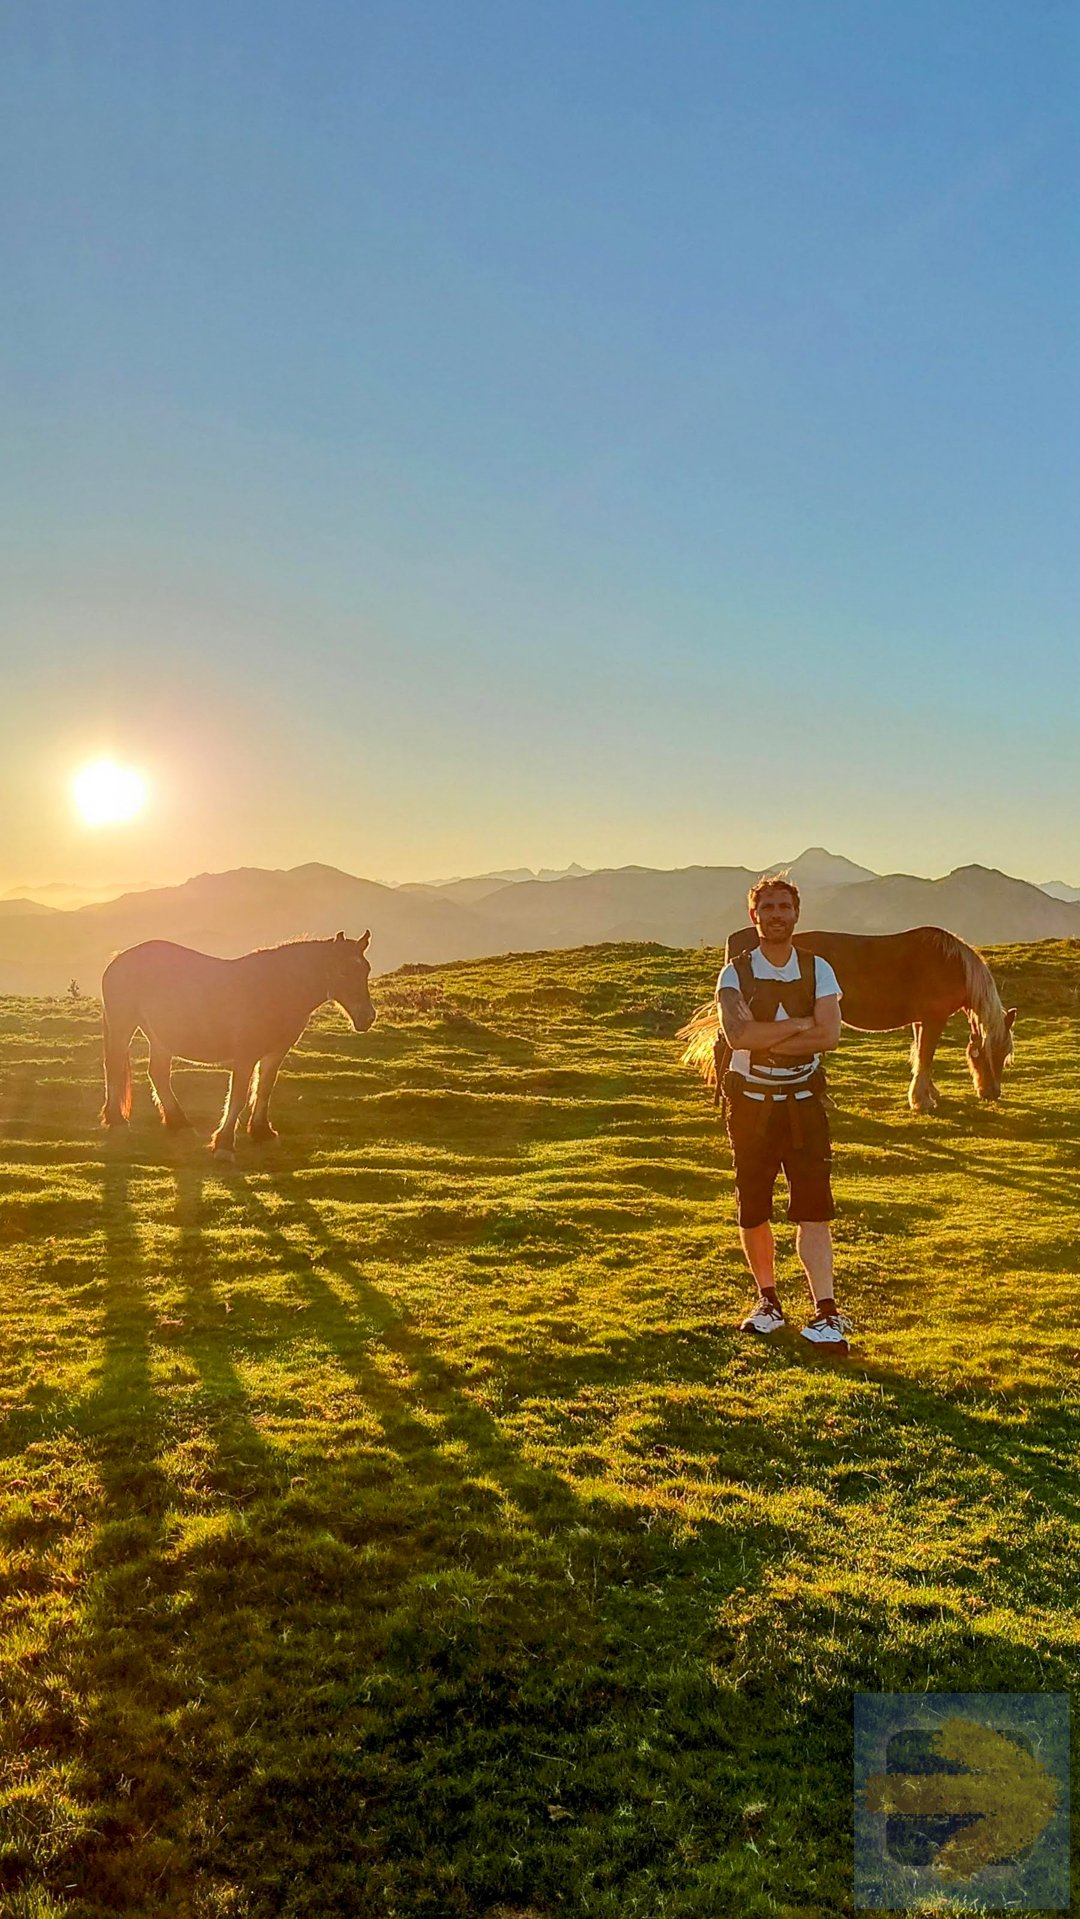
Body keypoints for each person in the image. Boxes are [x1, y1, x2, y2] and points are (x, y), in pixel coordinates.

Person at [716, 874, 850, 1352]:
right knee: (754, 1207)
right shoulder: (735, 973)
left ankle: (826, 1312)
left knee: (813, 1208)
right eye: (766, 908)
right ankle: (767, 1301)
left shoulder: (819, 969)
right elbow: (738, 1037)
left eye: (783, 907)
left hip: (803, 1104)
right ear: (753, 917)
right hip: (750, 1104)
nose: (775, 915)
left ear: (797, 914)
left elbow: (829, 1036)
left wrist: (768, 1032)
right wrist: (800, 1024)